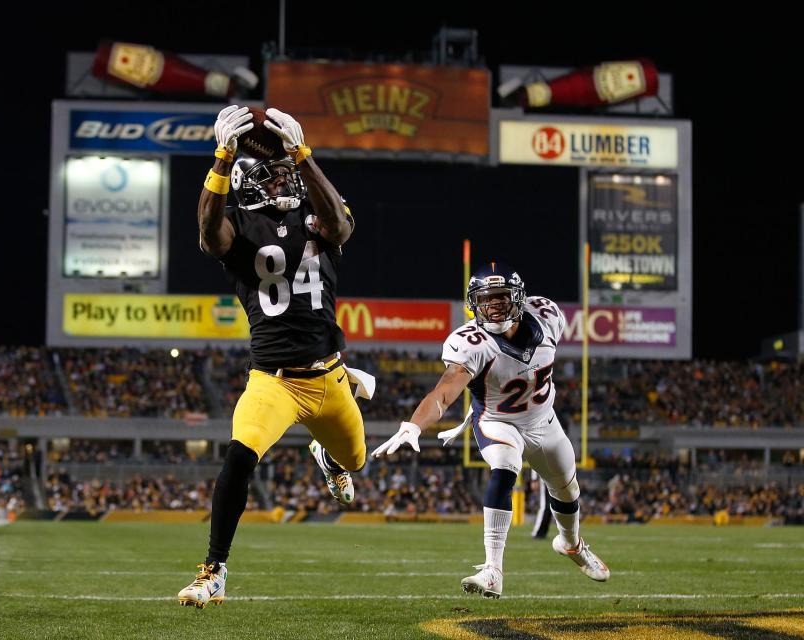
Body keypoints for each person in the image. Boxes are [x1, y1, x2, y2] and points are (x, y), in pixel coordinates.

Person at [178, 106, 369, 608]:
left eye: (287, 173)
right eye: (275, 173)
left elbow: (341, 227)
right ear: (248, 184)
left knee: (356, 460)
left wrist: (304, 156)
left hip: (328, 378)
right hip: (274, 381)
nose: (285, 179)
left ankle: (328, 456)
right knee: (239, 458)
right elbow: (207, 230)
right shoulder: (235, 226)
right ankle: (214, 570)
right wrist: (221, 159)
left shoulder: (316, 215)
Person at [372, 262, 609, 598]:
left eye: (501, 297)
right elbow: (445, 390)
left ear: (519, 298)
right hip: (497, 421)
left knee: (568, 491)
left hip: (543, 419)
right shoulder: (470, 342)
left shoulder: (548, 315)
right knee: (505, 467)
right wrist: (414, 424)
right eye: (486, 299)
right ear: (474, 304)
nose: (494, 306)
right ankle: (493, 570)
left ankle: (571, 545)